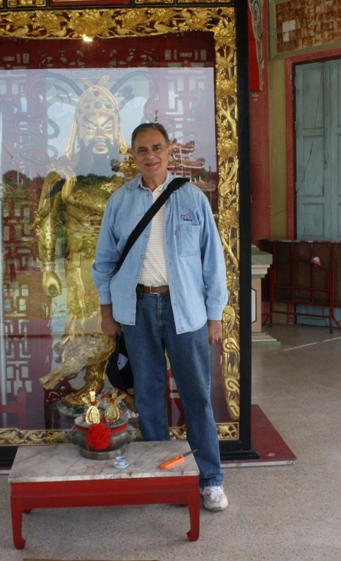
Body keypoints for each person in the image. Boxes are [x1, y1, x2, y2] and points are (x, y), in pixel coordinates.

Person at [91, 122, 229, 511]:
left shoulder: (192, 199)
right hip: (137, 310)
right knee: (149, 397)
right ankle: (164, 476)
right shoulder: (119, 201)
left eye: (156, 147)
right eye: (141, 149)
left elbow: (213, 262)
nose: (150, 155)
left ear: (170, 151)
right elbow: (103, 262)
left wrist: (214, 314)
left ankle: (210, 479)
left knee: (197, 396)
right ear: (133, 156)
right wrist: (107, 311)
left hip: (186, 311)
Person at [33, 76, 128, 409]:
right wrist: (48, 267)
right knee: (89, 325)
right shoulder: (61, 176)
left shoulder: (128, 174)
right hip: (82, 266)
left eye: (107, 126)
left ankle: (127, 386)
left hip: (126, 264)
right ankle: (92, 383)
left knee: (130, 323)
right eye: (91, 126)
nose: (100, 135)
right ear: (79, 128)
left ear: (116, 127)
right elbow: (45, 222)